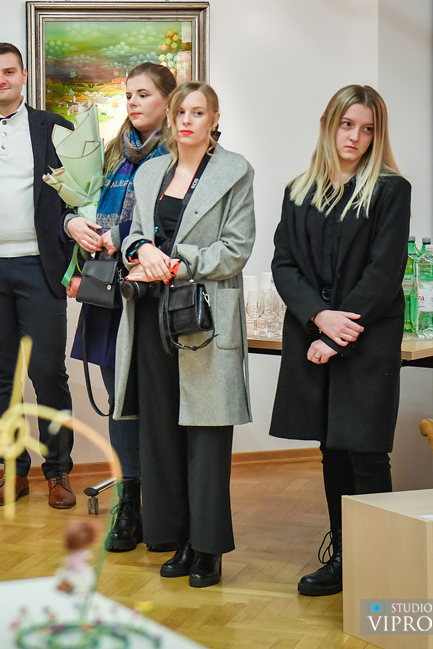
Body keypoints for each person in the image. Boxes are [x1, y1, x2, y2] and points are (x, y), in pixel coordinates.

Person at [269, 85, 410, 597]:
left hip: (366, 338)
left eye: (367, 129)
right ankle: (345, 558)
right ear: (328, 124)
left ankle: (379, 563)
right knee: (331, 449)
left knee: (366, 451)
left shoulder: (391, 189)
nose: (355, 137)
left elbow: (384, 272)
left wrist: (338, 334)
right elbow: (284, 264)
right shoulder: (299, 191)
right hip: (315, 332)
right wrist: (319, 317)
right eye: (348, 124)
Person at [114, 81, 255, 589]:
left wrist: (175, 261)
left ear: (215, 118)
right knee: (161, 432)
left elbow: (236, 249)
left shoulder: (235, 171)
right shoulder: (151, 171)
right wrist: (140, 251)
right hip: (151, 313)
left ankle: (208, 548)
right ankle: (176, 539)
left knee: (206, 435)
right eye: (181, 113)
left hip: (204, 314)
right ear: (172, 119)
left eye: (199, 113)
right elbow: (132, 234)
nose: (188, 121)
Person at [0, 43, 77, 509]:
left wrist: (76, 265)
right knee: (2, 377)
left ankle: (58, 473)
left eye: (8, 71)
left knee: (49, 373)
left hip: (42, 268)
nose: (0, 80)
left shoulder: (56, 128)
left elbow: (79, 198)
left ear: (24, 75)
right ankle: (13, 472)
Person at [67, 62, 175, 552]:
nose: (133, 102)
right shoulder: (113, 152)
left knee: (157, 404)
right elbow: (81, 204)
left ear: (169, 101)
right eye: (129, 94)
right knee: (120, 404)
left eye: (144, 94)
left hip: (155, 296)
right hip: (109, 294)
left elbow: (174, 226)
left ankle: (164, 505)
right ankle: (128, 503)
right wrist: (73, 224)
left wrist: (123, 235)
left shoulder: (179, 156)